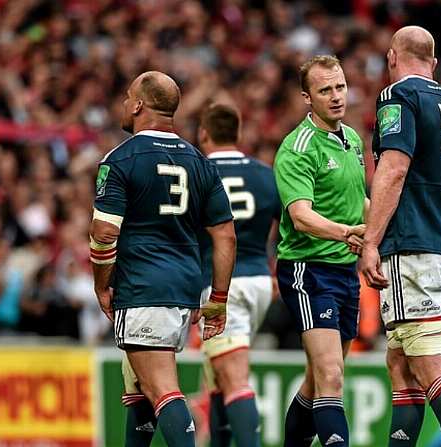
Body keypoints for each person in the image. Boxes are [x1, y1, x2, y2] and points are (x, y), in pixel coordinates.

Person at [90, 71, 236, 447]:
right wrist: (217, 300)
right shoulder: (200, 162)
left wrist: (102, 285)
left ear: (138, 105)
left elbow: (105, 233)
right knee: (139, 389)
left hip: (142, 287)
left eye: (127, 97)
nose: (124, 104)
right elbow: (225, 235)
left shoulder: (121, 159)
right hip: (184, 290)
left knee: (160, 388)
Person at [359, 27, 441, 447]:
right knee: (401, 364)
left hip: (413, 246)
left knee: (427, 366)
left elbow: (393, 169)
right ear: (435, 63)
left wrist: (372, 241)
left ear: (392, 57)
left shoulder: (398, 97)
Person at [274, 55, 367, 447]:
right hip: (308, 269)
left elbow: (360, 202)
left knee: (317, 380)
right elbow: (301, 217)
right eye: (325, 90)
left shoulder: (353, 139)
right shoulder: (297, 148)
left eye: (340, 87)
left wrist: (379, 233)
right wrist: (348, 233)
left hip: (346, 271)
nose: (335, 96)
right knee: (331, 374)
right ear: (306, 97)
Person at [197, 103, 280, 447]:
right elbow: (290, 224)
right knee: (218, 377)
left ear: (204, 134)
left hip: (221, 286)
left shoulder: (197, 173)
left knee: (234, 379)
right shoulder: (264, 173)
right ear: (238, 133)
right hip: (260, 280)